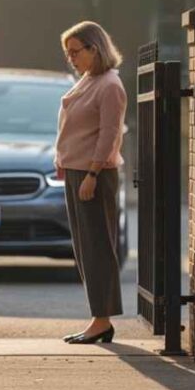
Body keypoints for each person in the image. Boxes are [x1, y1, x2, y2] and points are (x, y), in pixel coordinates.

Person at [54, 20, 127, 345]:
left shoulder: (109, 85)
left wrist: (93, 174)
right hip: (77, 171)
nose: (70, 58)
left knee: (97, 247)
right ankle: (99, 318)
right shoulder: (89, 80)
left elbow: (109, 134)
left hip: (93, 175)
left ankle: (102, 321)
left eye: (75, 51)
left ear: (94, 49)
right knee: (85, 249)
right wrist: (63, 160)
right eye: (67, 52)